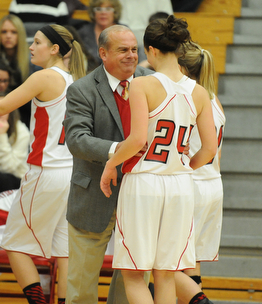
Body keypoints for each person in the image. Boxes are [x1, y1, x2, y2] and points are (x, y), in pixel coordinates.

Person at [100, 15, 217, 304]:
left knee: (134, 274)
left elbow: (138, 140)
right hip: (180, 186)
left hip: (145, 183)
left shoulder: (141, 85)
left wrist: (110, 162)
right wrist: (180, 167)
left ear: (150, 50)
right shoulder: (200, 92)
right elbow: (209, 150)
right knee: (166, 273)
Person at [63, 24, 153, 304]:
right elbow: (76, 139)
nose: (131, 56)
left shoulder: (152, 82)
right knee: (81, 288)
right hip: (92, 193)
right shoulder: (82, 89)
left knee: (133, 284)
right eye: (123, 50)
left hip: (140, 194)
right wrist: (120, 152)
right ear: (103, 53)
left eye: (135, 49)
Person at [0, 24, 85, 304]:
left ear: (55, 49)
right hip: (71, 173)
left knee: (13, 243)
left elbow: (3, 106)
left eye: (37, 42)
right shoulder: (74, 80)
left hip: (45, 171)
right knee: (63, 250)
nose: (32, 47)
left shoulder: (44, 77)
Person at [175, 42, 226, 302]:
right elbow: (217, 153)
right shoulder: (213, 98)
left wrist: (185, 168)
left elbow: (206, 150)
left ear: (182, 67)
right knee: (191, 260)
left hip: (192, 184)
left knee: (164, 262)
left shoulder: (188, 96)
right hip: (214, 184)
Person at [0, 14, 31, 127]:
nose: (8, 36)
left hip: (24, 115)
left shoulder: (31, 60)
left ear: (20, 34)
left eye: (13, 32)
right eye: (4, 32)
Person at [78, 0, 122, 65]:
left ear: (115, 12)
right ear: (93, 13)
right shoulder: (83, 33)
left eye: (108, 9)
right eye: (98, 9)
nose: (103, 12)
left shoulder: (124, 31)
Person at [0, 96, 29, 192]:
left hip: (16, 178)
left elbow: (8, 167)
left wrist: (2, 135)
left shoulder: (22, 132)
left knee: (2, 179)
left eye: (3, 109)